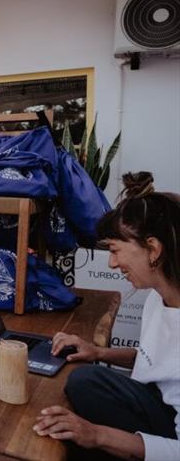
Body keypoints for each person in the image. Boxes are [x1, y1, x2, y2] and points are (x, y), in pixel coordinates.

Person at [34, 172, 179, 460]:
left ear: (153, 249)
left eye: (115, 251)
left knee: (80, 402)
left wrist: (95, 435)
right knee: (84, 381)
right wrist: (98, 351)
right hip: (155, 401)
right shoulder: (158, 296)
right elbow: (157, 360)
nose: (112, 264)